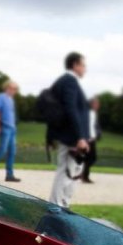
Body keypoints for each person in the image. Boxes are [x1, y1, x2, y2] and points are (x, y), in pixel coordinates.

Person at [47, 52, 91, 207]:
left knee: (69, 171)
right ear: (75, 65)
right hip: (71, 137)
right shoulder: (69, 81)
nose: (85, 69)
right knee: (67, 172)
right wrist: (80, 137)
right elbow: (71, 109)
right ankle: (57, 207)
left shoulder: (65, 81)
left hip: (69, 135)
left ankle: (59, 206)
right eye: (83, 65)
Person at [81, 97, 102, 183]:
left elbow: (95, 126)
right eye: (97, 104)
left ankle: (83, 175)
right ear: (92, 104)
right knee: (90, 158)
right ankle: (84, 176)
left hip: (92, 139)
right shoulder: (88, 113)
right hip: (87, 139)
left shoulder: (94, 113)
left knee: (91, 158)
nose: (98, 106)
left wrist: (98, 134)